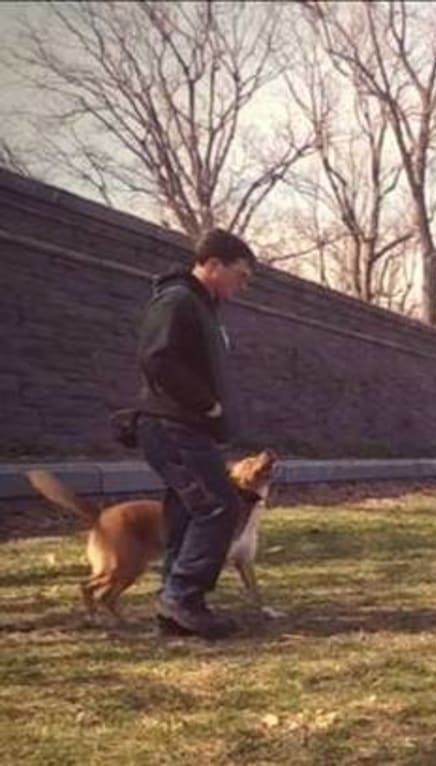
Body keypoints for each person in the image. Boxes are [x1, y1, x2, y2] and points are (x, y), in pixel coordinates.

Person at [136, 227, 255, 639]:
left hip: (185, 426)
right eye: (240, 274)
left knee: (188, 510)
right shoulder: (177, 300)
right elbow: (159, 359)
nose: (244, 284)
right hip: (172, 425)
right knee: (220, 504)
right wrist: (207, 404)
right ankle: (182, 596)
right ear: (213, 264)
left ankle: (177, 606)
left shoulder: (203, 308)